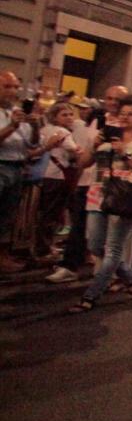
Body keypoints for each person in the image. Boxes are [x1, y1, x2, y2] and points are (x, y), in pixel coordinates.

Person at [67, 96, 132, 312]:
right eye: (122, 113)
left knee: (113, 249)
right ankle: (129, 274)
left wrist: (125, 155)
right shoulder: (107, 137)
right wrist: (94, 145)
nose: (125, 117)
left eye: (131, 114)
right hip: (98, 193)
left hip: (126, 197)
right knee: (95, 245)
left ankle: (91, 295)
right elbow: (83, 163)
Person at [46, 84, 123, 283]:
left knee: (109, 231)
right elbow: (83, 154)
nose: (113, 103)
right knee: (79, 224)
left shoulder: (131, 123)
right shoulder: (96, 120)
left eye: (118, 99)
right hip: (89, 180)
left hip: (116, 184)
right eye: (109, 98)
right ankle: (69, 265)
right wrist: (93, 147)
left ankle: (115, 271)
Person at [31, 101, 81, 262]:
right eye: (64, 115)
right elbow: (74, 150)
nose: (69, 117)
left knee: (45, 212)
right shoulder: (62, 132)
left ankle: (42, 246)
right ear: (54, 117)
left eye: (71, 114)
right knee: (52, 213)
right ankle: (44, 249)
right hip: (57, 175)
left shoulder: (44, 129)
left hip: (45, 174)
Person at [0, 71, 38, 272]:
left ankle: (2, 255)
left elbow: (31, 144)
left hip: (17, 167)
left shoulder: (17, 112)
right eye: (7, 86)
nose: (13, 91)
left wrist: (35, 126)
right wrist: (12, 126)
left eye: (15, 87)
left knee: (8, 214)